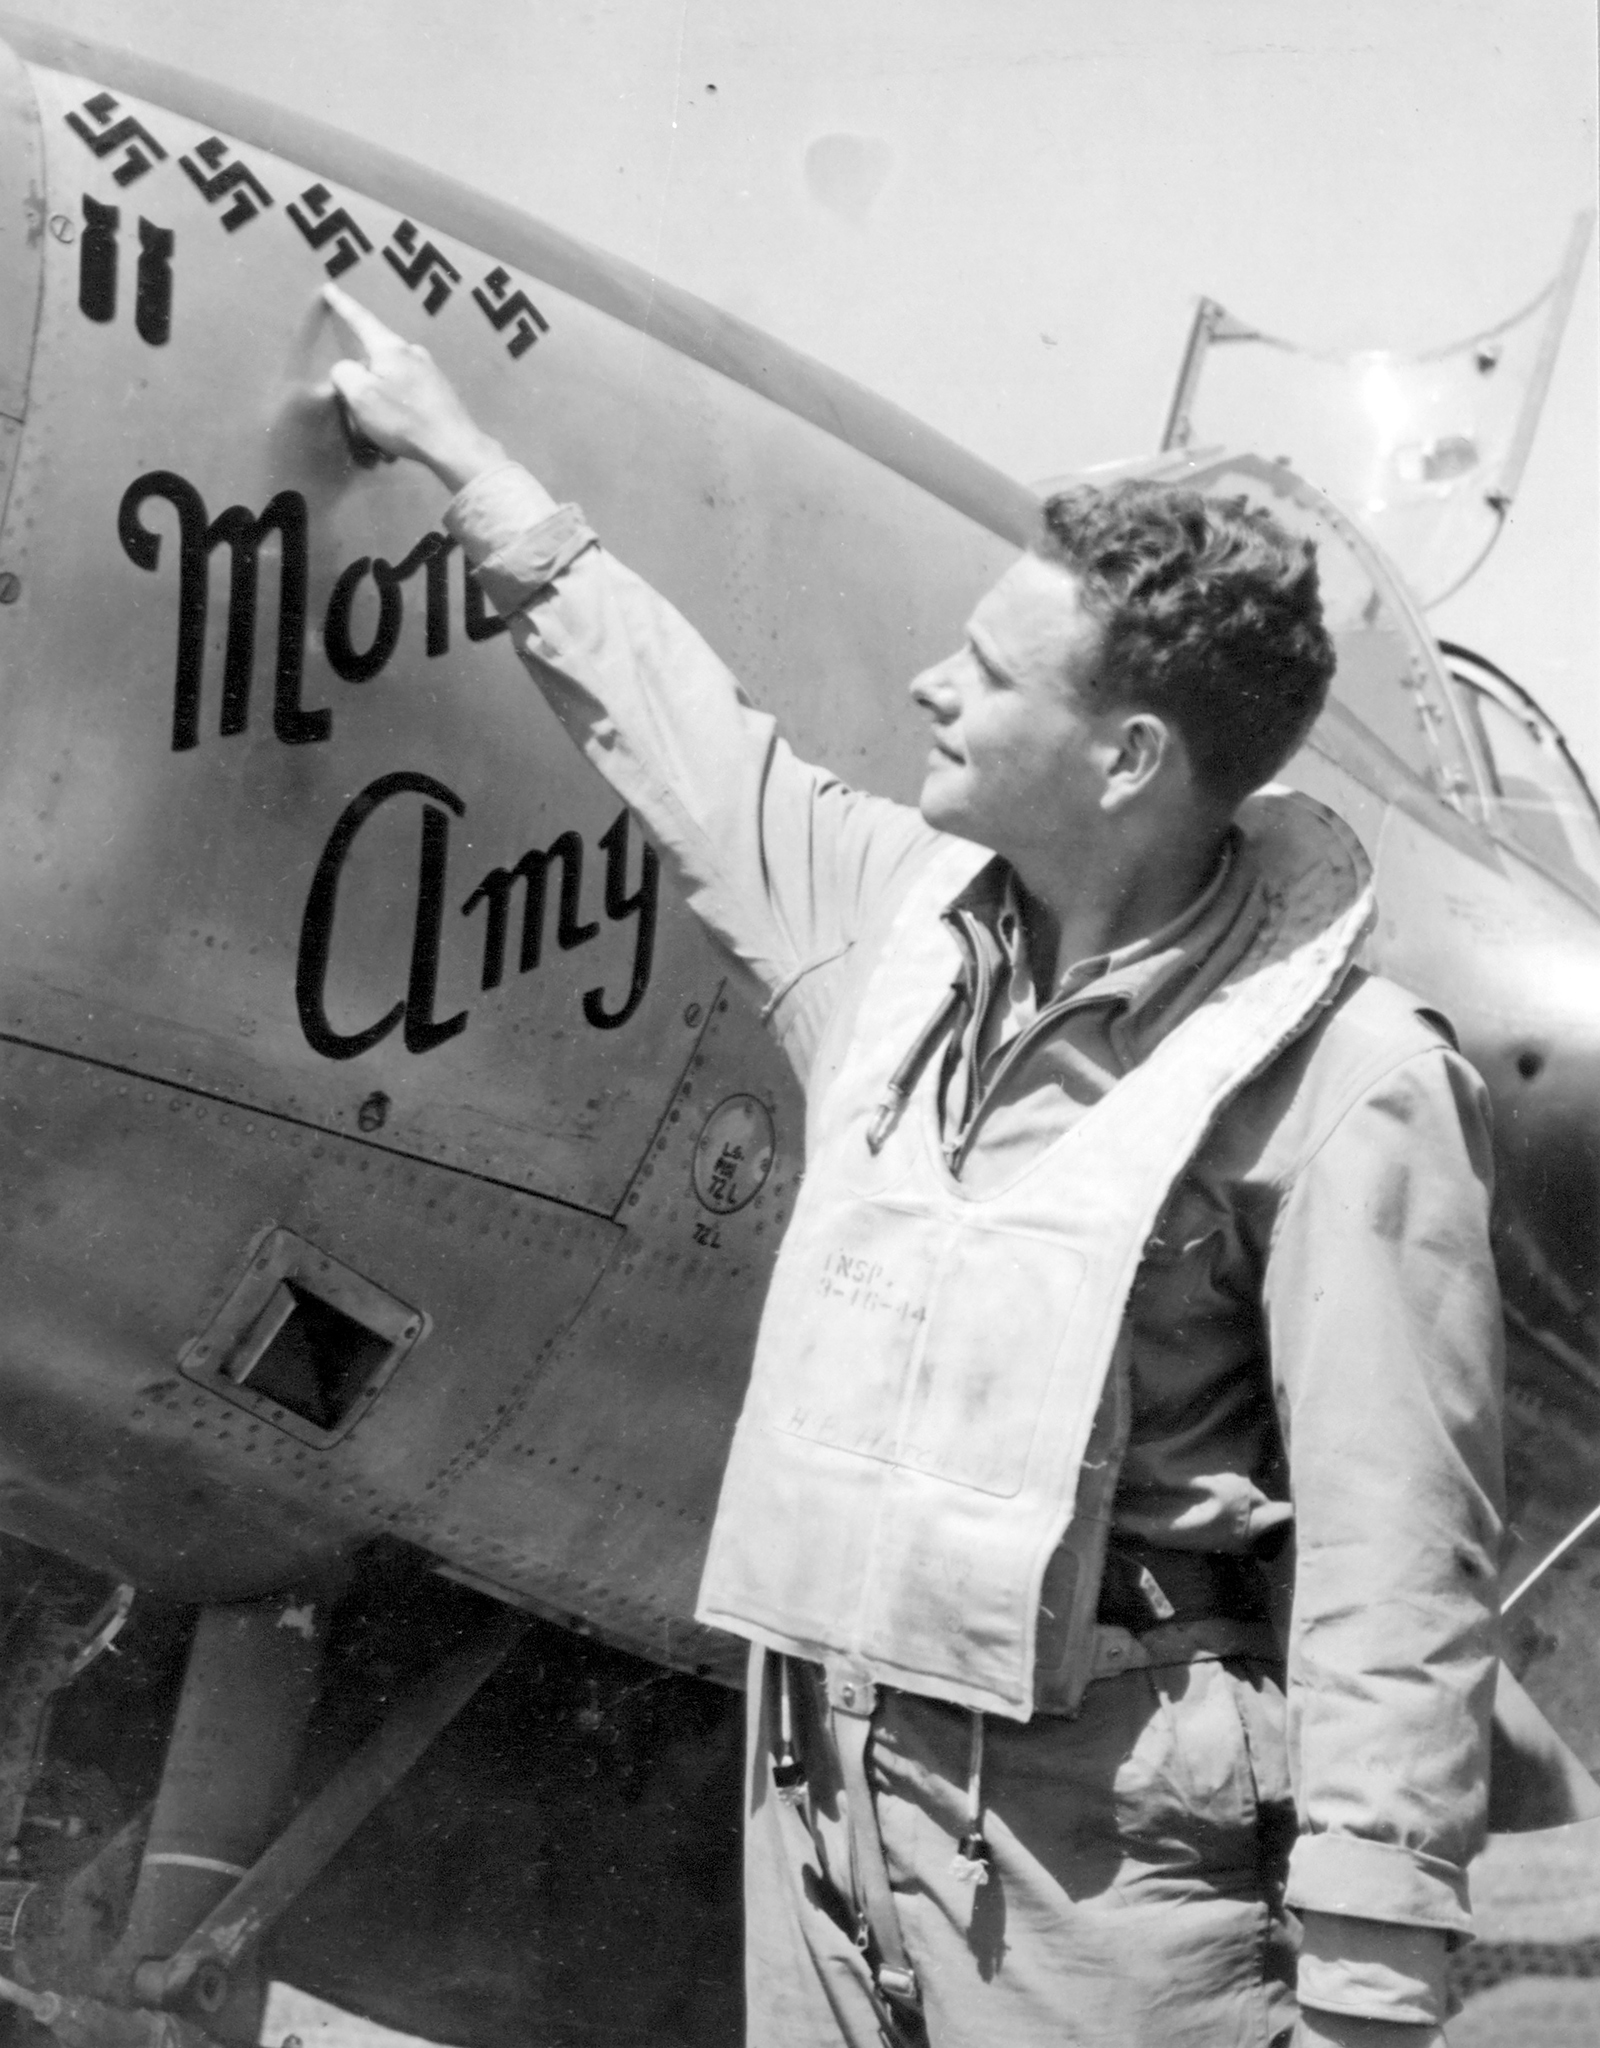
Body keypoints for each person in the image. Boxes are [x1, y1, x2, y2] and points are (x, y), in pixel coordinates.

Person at [323, 283, 1504, 2048]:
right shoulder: (881, 922)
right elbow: (683, 735)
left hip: (1110, 1870)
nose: (925, 684)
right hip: (817, 1794)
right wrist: (469, 461)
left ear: (1128, 760)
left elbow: (1396, 1567)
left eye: (993, 673)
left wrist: (1367, 1988)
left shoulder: (1353, 1082)